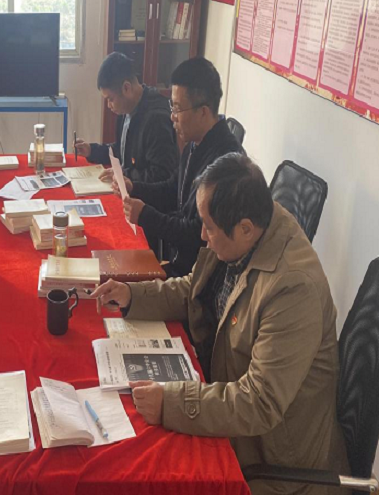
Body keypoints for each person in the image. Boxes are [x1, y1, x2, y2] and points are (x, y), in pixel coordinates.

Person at [94, 153, 348, 495]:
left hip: (271, 461)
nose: (202, 235)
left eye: (209, 227)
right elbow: (194, 289)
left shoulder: (293, 288)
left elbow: (259, 402)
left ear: (245, 229)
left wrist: (171, 404)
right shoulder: (246, 230)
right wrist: (132, 295)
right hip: (225, 397)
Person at [119, 57, 243, 277]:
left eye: (177, 109)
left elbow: (195, 235)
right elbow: (172, 190)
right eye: (172, 107)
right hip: (179, 261)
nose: (172, 117)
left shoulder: (226, 164)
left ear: (203, 111)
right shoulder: (194, 144)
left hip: (194, 276)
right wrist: (134, 188)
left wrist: (146, 215)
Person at [74, 52, 178, 184]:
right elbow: (121, 151)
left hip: (145, 195)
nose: (108, 105)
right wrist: (91, 150)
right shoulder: (127, 108)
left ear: (126, 88)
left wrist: (122, 174)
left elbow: (161, 175)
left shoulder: (156, 119)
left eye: (110, 99)